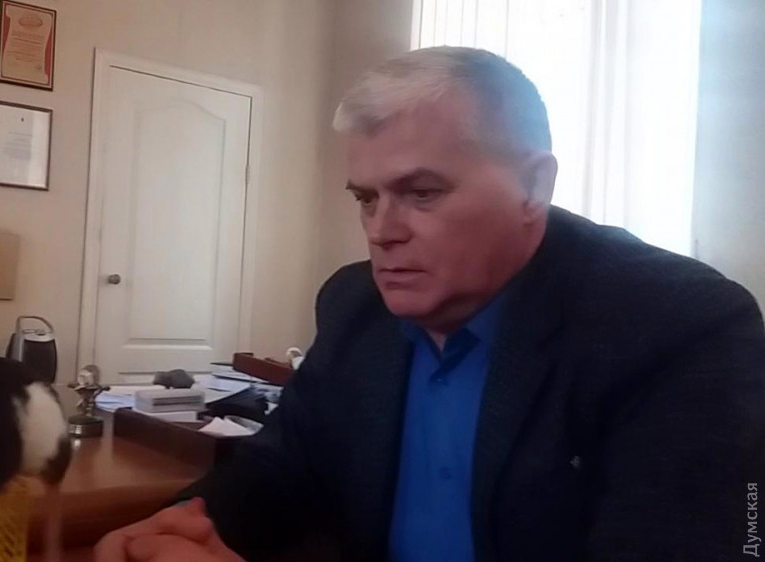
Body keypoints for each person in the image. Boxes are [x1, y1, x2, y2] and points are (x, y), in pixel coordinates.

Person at [95, 46, 765, 561]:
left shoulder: (677, 326)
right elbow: (284, 466)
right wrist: (177, 529)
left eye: (422, 193)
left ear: (534, 185)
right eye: (367, 198)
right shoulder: (356, 303)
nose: (381, 231)